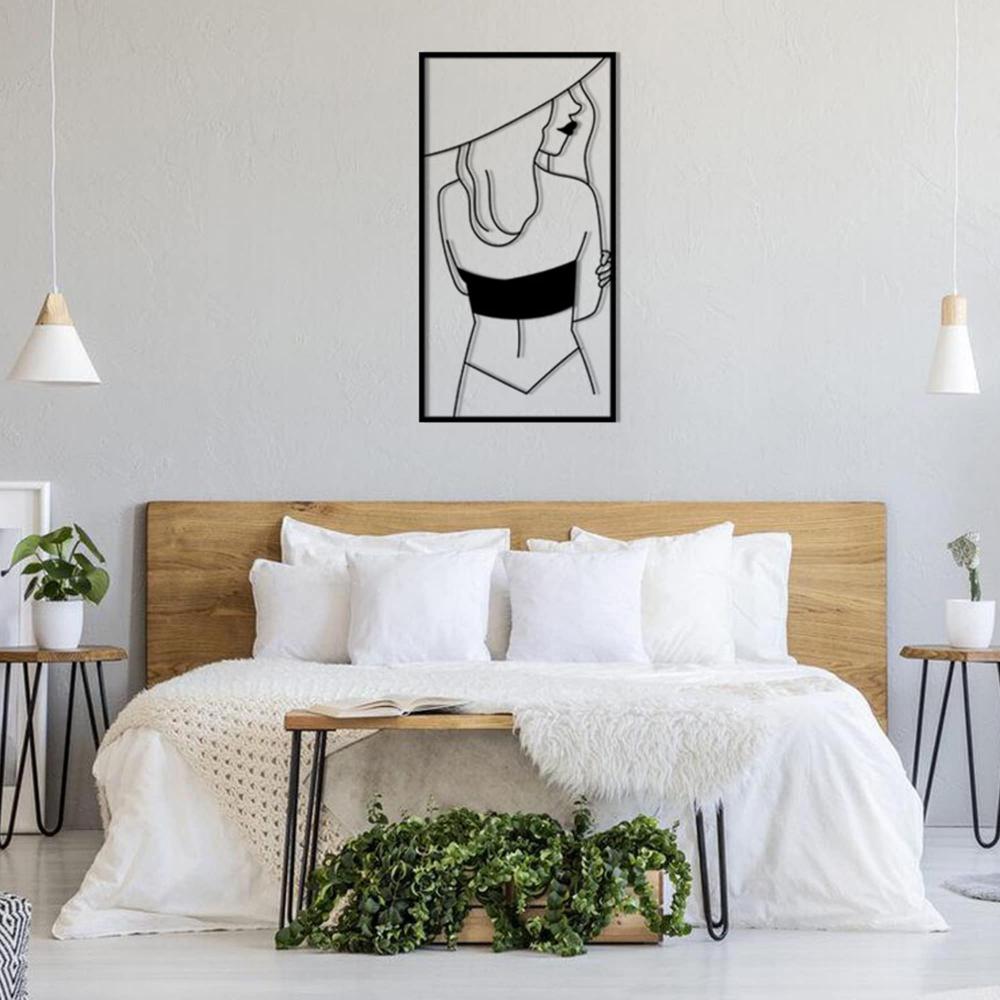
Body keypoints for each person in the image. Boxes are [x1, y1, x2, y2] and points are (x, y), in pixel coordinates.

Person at [437, 82, 612, 417]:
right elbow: (586, 305)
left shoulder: (451, 199)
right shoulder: (576, 197)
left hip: (482, 372)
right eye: (560, 94)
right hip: (562, 368)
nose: (576, 106)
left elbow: (463, 286)